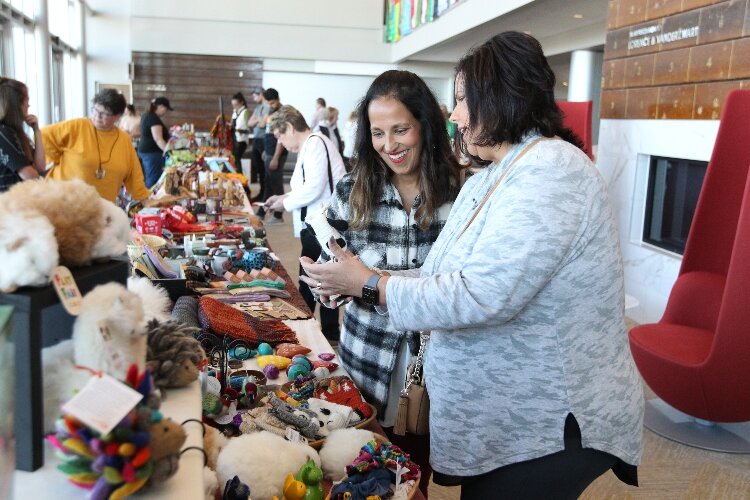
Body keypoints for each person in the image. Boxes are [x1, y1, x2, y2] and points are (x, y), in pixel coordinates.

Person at [300, 32, 644, 499]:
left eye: (463, 100)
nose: (456, 116)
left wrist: (369, 285)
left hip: (544, 425)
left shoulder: (549, 171)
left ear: (501, 97)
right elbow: (441, 274)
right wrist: (353, 281)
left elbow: (482, 293)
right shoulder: (501, 170)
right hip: (507, 423)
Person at [314, 69, 461, 496]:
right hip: (366, 359)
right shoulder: (352, 190)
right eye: (378, 133)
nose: (389, 146)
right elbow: (334, 266)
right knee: (360, 473)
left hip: (435, 368)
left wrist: (365, 281)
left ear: (425, 126)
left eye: (401, 130)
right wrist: (327, 281)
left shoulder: (461, 193)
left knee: (413, 482)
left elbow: (455, 288)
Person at [264, 105, 347, 340]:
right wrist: (282, 198)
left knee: (313, 280)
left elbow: (313, 188)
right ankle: (326, 331)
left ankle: (305, 331)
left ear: (289, 127)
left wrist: (284, 204)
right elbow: (304, 186)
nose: (281, 142)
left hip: (323, 226)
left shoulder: (315, 143)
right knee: (321, 279)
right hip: (317, 225)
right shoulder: (311, 145)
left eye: (280, 135)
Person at [43, 89, 149, 203]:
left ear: (117, 116)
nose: (97, 116)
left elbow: (134, 174)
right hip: (65, 202)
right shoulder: (78, 126)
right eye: (95, 110)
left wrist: (143, 198)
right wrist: (54, 159)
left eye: (104, 114)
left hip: (102, 207)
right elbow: (43, 136)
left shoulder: (124, 140)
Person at [0, 77, 46, 192]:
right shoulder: (3, 133)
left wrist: (36, 131)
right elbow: (29, 175)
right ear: (16, 104)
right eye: (26, 100)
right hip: (9, 204)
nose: (28, 105)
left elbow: (40, 166)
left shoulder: (14, 132)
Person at [257, 88, 286, 223]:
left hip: (276, 153)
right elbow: (268, 131)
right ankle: (262, 212)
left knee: (275, 183)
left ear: (278, 99)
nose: (271, 106)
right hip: (268, 150)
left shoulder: (282, 113)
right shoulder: (270, 111)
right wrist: (265, 151)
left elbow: (281, 138)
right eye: (269, 103)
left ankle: (278, 215)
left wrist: (275, 157)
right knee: (268, 182)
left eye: (273, 103)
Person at [137, 96, 172, 187]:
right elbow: (158, 139)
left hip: (145, 151)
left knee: (149, 177)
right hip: (152, 153)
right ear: (161, 106)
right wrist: (169, 152)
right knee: (153, 179)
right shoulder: (153, 118)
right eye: (166, 109)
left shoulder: (146, 115)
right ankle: (150, 199)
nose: (165, 112)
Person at [247, 88, 269, 200]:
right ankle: (261, 192)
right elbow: (249, 123)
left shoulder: (267, 107)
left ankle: (265, 194)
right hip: (256, 139)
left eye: (255, 96)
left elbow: (262, 124)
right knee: (259, 167)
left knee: (264, 169)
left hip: (263, 140)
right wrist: (257, 120)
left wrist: (257, 121)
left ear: (261, 94)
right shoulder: (258, 108)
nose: (254, 98)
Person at [230, 92, 251, 170]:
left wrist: (238, 130)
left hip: (242, 140)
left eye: (236, 105)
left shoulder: (245, 112)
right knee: (235, 159)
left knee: (237, 159)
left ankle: (240, 178)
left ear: (241, 102)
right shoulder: (235, 112)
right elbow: (232, 123)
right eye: (233, 105)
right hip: (234, 139)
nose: (234, 107)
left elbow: (248, 128)